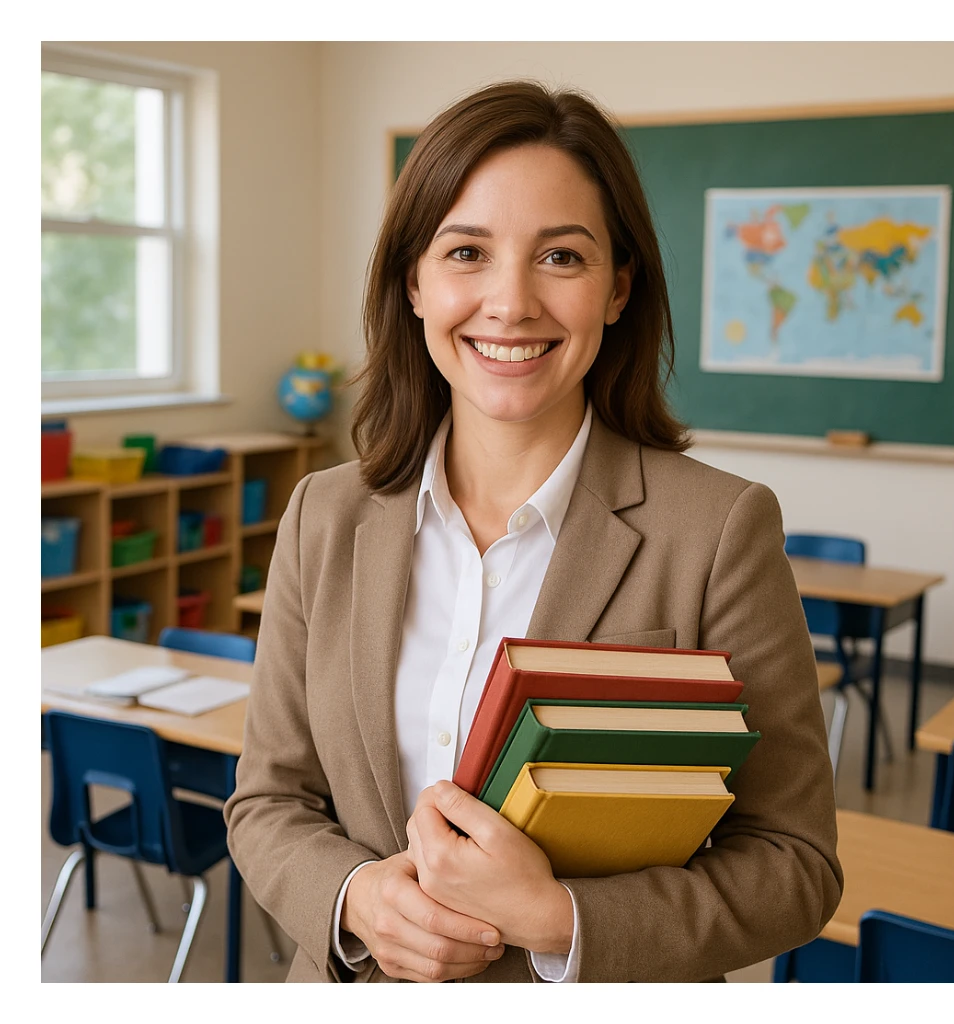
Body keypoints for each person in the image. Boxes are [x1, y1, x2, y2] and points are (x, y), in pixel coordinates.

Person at [224, 80, 842, 984]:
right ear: (414, 283)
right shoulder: (324, 514)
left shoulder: (719, 531)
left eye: (560, 256)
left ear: (618, 288)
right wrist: (355, 897)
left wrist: (563, 920)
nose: (510, 303)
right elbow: (267, 802)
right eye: (466, 252)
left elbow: (795, 862)